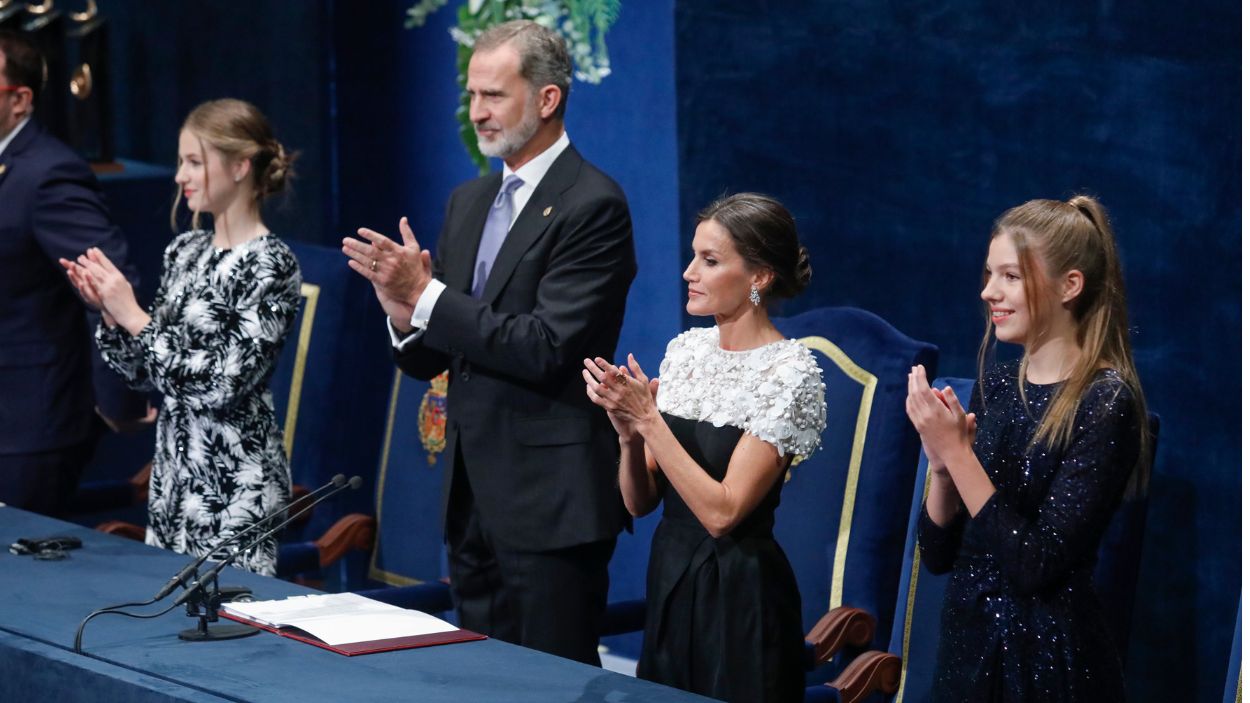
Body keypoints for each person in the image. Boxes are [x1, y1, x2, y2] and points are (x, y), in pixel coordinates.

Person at [340, 20, 635, 664]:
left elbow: (543, 346)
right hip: (471, 502)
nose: (477, 112)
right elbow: (435, 356)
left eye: (494, 95)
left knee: (550, 684)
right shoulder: (468, 202)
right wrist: (402, 313)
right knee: (479, 680)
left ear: (547, 98)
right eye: (472, 96)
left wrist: (426, 297)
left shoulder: (593, 205)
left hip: (551, 506)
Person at [582, 193, 825, 702]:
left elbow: (723, 512)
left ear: (759, 276)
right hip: (670, 578)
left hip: (740, 596)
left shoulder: (789, 372)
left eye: (710, 261)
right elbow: (639, 501)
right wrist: (628, 435)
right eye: (694, 256)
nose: (689, 272)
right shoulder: (686, 351)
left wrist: (649, 420)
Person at [906, 196, 1150, 701]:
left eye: (1010, 277)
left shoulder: (1105, 403)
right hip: (967, 648)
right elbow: (937, 554)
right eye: (989, 274)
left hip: (1046, 664)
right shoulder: (995, 385)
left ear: (1070, 285)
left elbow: (1035, 564)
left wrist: (959, 456)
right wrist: (943, 470)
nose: (988, 291)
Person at [60, 98, 301, 576]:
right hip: (173, 476)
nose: (179, 177)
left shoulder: (271, 264)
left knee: (232, 633)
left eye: (194, 162)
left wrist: (134, 315)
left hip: (234, 486)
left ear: (239, 166)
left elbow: (221, 385)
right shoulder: (185, 250)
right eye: (180, 162)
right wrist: (109, 312)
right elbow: (144, 372)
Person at [0, 29, 148, 515]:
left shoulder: (48, 174)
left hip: (30, 425)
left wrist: (119, 402)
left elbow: (108, 284)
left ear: (19, 99)